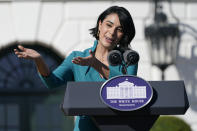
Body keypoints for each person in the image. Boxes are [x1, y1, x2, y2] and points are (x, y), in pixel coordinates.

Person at [14, 6, 138, 131]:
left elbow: (125, 90)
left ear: (123, 35)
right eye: (109, 25)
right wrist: (39, 60)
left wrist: (95, 64)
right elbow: (51, 81)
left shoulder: (129, 60)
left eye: (119, 29)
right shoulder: (77, 57)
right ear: (100, 25)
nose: (112, 32)